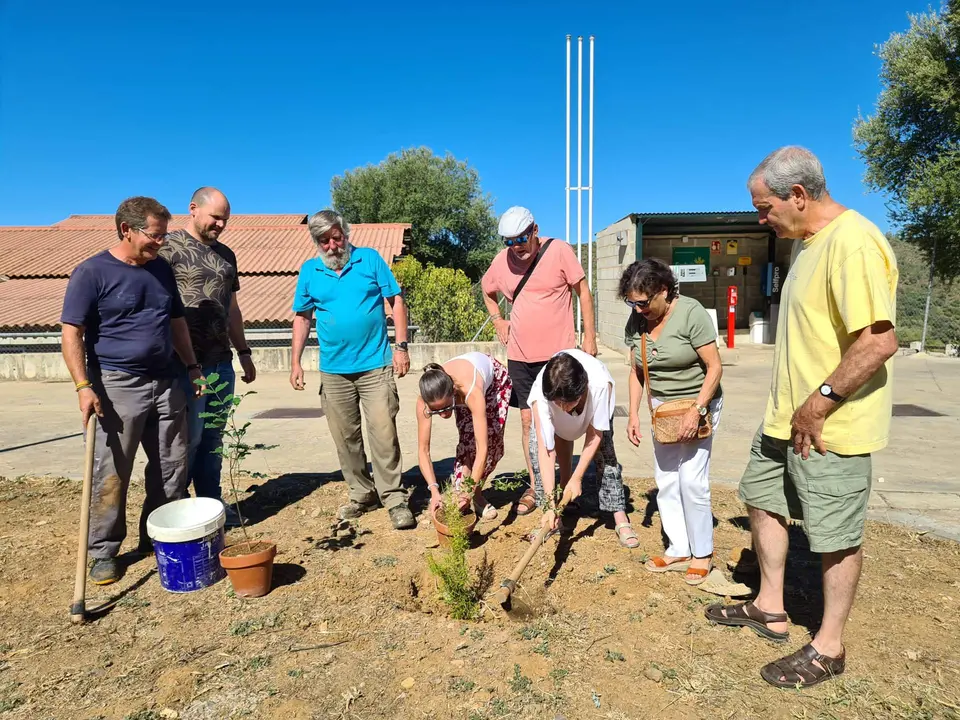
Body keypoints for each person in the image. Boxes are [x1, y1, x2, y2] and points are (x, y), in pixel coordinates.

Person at [705, 146, 899, 689]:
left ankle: (829, 646)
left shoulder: (853, 242)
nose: (759, 219)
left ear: (798, 195)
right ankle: (770, 605)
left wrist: (820, 401)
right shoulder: (809, 245)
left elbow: (879, 341)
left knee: (834, 533)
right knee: (762, 498)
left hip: (829, 426)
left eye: (764, 208)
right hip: (784, 421)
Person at [60, 196, 204, 585]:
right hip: (117, 385)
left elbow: (176, 323)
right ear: (127, 229)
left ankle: (158, 537)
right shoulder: (92, 272)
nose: (160, 243)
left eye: (163, 236)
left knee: (172, 468)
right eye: (154, 236)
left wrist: (191, 367)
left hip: (168, 381)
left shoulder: (161, 271)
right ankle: (104, 551)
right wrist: (83, 386)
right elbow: (72, 332)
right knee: (112, 471)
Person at [290, 210, 415, 529]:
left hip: (375, 365)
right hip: (334, 370)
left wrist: (401, 346)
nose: (333, 245)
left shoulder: (370, 260)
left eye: (337, 237)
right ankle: (362, 493)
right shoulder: (310, 271)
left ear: (345, 233)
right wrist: (295, 362)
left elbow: (396, 301)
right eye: (324, 241)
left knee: (384, 433)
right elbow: (303, 318)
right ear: (316, 243)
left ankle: (394, 497)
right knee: (346, 438)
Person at [481, 206, 597, 517]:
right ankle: (537, 485)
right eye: (508, 241)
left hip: (558, 357)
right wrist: (498, 321)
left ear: (534, 230)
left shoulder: (558, 250)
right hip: (520, 356)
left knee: (561, 420)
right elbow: (487, 290)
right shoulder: (501, 261)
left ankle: (562, 481)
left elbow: (583, 291)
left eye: (520, 238)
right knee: (528, 421)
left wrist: (590, 336)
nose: (515, 246)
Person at [620, 259, 723, 585]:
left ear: (664, 291)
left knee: (691, 479)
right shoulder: (637, 321)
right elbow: (637, 371)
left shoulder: (691, 313)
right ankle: (678, 548)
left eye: (643, 302)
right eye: (631, 302)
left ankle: (702, 553)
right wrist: (634, 413)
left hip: (698, 403)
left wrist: (697, 410)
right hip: (662, 410)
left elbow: (715, 367)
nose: (638, 309)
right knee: (666, 478)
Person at [159, 187, 256, 526]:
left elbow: (232, 308)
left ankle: (212, 504)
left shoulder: (227, 255)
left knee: (214, 436)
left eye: (225, 219)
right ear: (193, 209)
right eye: (215, 217)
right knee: (188, 438)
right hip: (184, 365)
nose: (220, 224)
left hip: (220, 362)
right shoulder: (167, 248)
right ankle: (179, 509)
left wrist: (243, 352)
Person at [528, 349, 639, 549]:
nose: (561, 408)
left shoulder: (599, 384)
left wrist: (577, 478)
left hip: (596, 420)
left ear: (581, 389)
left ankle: (619, 514)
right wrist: (550, 502)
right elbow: (546, 449)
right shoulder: (541, 394)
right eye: (557, 403)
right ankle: (553, 512)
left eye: (566, 403)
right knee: (536, 448)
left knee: (605, 453)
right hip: (552, 423)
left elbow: (595, 435)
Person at [416, 352, 513, 519]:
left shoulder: (470, 391)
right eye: (436, 410)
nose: (444, 414)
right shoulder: (424, 402)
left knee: (491, 444)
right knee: (467, 441)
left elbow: (482, 449)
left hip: (493, 384)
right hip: (460, 389)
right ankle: (461, 492)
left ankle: (475, 494)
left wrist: (470, 491)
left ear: (453, 392)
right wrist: (434, 490)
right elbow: (423, 450)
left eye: (447, 407)